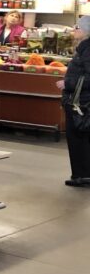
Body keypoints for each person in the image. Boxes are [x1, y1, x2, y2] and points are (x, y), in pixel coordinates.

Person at [58, 16, 90, 187]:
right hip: (81, 101)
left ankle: (81, 175)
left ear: (86, 31)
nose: (74, 30)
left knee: (78, 138)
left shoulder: (87, 49)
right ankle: (82, 174)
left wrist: (67, 83)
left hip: (81, 103)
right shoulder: (83, 47)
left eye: (77, 27)